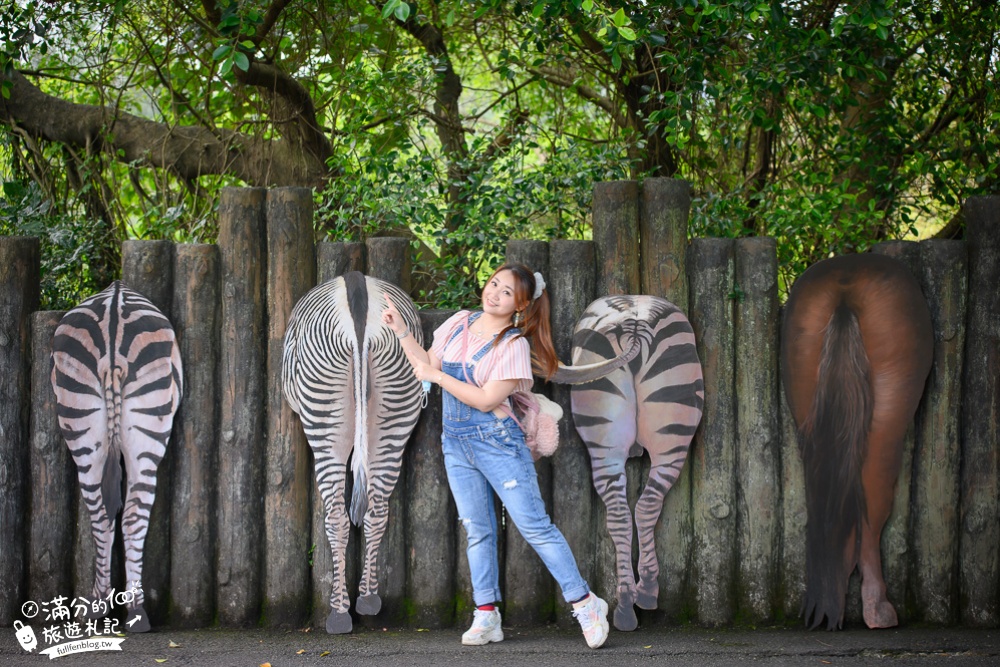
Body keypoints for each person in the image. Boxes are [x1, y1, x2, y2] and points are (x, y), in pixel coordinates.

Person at [381, 264, 610, 649]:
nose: (495, 294)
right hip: (455, 442)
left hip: (498, 442)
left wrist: (435, 378)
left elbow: (487, 400)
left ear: (520, 305)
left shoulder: (513, 344)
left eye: (507, 293)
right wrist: (400, 330)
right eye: (493, 284)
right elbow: (429, 363)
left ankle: (586, 602)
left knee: (534, 526)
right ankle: (486, 616)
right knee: (478, 529)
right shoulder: (458, 323)